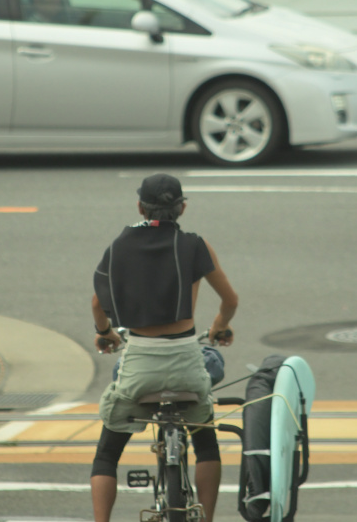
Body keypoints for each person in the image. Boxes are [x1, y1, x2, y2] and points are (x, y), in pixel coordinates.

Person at [90, 173, 239, 522]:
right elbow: (230, 300)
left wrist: (105, 332)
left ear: (140, 207)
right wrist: (219, 326)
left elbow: (98, 303)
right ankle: (207, 517)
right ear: (183, 207)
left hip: (140, 366)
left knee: (107, 454)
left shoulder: (120, 246)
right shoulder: (195, 245)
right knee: (205, 444)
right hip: (187, 363)